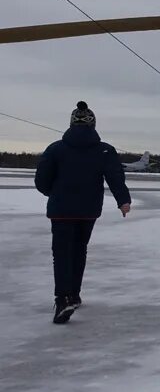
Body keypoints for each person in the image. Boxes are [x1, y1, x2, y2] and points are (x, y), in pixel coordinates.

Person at [34, 101, 132, 324]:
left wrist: (54, 193)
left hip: (61, 210)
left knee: (61, 254)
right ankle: (73, 295)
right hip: (88, 210)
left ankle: (63, 298)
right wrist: (123, 201)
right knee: (79, 250)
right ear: (93, 124)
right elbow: (115, 177)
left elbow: (41, 181)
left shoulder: (55, 148)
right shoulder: (105, 150)